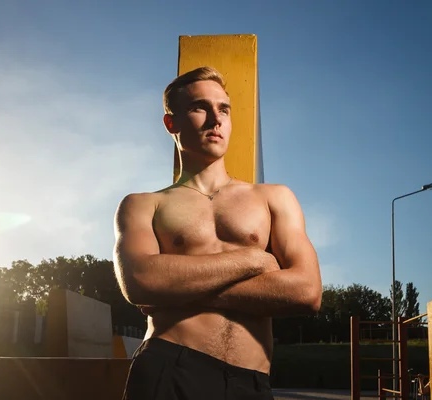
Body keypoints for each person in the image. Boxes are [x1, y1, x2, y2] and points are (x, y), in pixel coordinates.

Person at [113, 66, 322, 400]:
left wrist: (174, 289)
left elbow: (307, 292)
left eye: (223, 109)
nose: (215, 119)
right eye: (200, 108)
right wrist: (255, 259)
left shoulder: (273, 198)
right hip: (168, 367)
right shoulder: (143, 205)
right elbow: (140, 282)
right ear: (172, 124)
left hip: (250, 381)